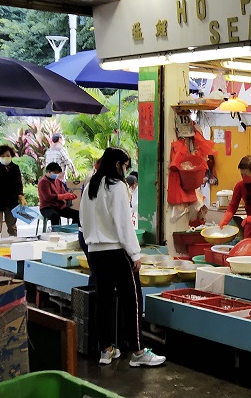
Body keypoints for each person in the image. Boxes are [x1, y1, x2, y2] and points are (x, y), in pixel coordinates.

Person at [79, 147, 165, 367]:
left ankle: (105, 350)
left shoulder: (91, 186)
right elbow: (124, 223)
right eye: (126, 165)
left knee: (103, 301)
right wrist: (135, 253)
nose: (126, 170)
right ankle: (137, 352)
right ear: (118, 164)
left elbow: (83, 221)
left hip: (95, 252)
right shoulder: (116, 187)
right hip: (116, 252)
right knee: (132, 300)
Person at [0, 145, 26, 238]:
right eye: (3, 156)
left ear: (11, 156)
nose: (5, 158)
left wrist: (21, 195)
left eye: (7, 155)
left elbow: (19, 183)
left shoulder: (16, 168)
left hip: (12, 202)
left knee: (12, 227)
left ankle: (13, 245)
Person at [38, 162, 80, 226]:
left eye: (57, 173)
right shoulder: (43, 182)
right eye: (55, 173)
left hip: (59, 207)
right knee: (55, 216)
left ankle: (72, 230)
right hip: (47, 207)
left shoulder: (58, 181)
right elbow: (48, 197)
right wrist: (63, 196)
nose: (56, 175)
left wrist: (70, 196)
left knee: (78, 214)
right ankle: (55, 233)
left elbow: (64, 192)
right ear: (48, 172)